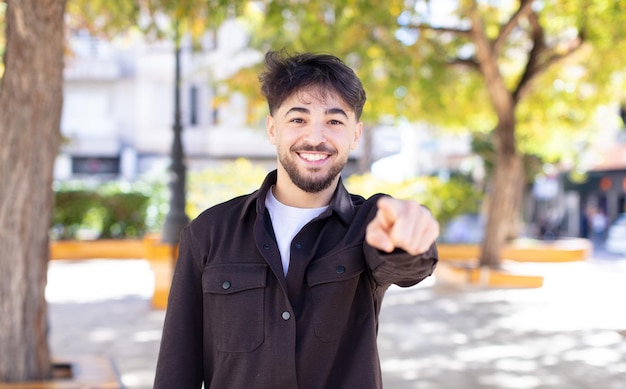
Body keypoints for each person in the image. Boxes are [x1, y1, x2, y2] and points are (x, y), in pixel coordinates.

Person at [154, 49, 440, 389]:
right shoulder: (208, 232)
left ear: (356, 134)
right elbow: (177, 368)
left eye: (334, 121)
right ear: (273, 129)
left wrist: (410, 238)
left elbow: (405, 264)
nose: (315, 137)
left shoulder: (369, 224)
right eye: (298, 119)